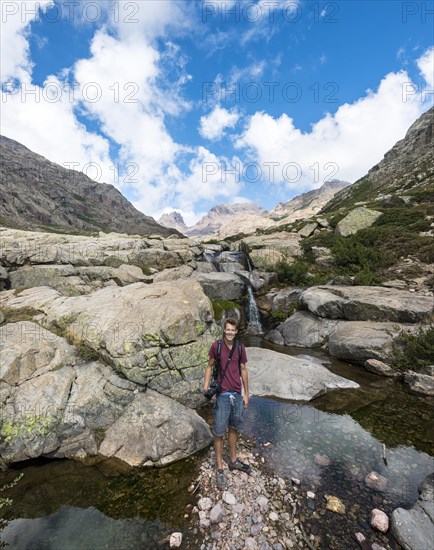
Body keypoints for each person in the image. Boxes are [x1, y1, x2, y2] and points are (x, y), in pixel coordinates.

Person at [203, 317, 251, 489]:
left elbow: (243, 370)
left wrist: (246, 394)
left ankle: (232, 460)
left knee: (233, 428)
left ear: (236, 331)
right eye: (227, 329)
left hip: (237, 394)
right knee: (218, 431)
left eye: (233, 330)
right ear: (224, 330)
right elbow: (209, 366)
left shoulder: (240, 347)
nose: (230, 332)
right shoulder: (216, 346)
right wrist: (206, 386)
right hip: (222, 395)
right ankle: (220, 468)